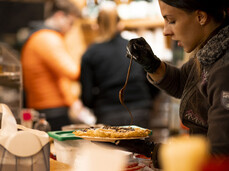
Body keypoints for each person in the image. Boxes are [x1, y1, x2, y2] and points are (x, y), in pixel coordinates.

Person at [112, 0, 229, 168]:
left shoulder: (224, 68)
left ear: (201, 17)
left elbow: (219, 153)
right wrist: (152, 64)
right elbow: (184, 83)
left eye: (172, 20)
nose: (166, 31)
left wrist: (152, 150)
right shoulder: (210, 51)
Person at [80, 3, 159, 128]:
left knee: (111, 148)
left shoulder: (90, 53)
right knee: (140, 147)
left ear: (97, 26)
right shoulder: (134, 48)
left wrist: (100, 104)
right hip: (140, 110)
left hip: (108, 113)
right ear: (120, 24)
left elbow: (87, 97)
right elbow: (154, 77)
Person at [21, 0, 82, 130]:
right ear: (59, 16)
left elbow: (58, 78)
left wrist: (72, 101)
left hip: (45, 107)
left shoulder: (39, 36)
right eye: (70, 23)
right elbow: (72, 72)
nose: (70, 29)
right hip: (51, 111)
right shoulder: (47, 38)